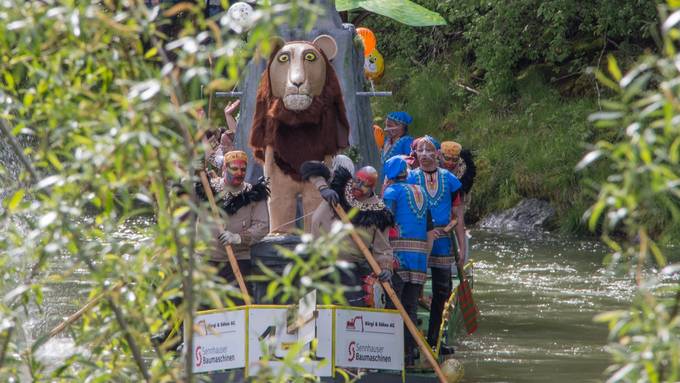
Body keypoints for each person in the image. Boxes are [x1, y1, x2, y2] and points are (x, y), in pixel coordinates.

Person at [302, 161, 394, 307]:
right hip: (315, 263)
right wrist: (324, 188)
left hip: (347, 271)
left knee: (345, 315)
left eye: (364, 184)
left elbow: (382, 248)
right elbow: (310, 168)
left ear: (372, 188)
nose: (357, 186)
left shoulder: (379, 213)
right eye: (356, 181)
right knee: (310, 313)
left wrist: (386, 268)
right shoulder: (339, 184)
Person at [407, 136, 464, 355]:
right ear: (416, 154)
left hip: (442, 240)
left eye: (429, 150)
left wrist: (462, 249)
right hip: (417, 239)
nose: (424, 154)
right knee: (412, 290)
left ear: (437, 154)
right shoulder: (410, 177)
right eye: (420, 150)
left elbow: (458, 214)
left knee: (442, 290)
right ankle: (410, 344)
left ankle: (435, 340)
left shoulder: (449, 179)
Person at [195, 150, 270, 296]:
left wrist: (238, 238)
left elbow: (263, 226)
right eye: (234, 168)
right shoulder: (206, 189)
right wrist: (194, 174)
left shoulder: (254, 194)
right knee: (204, 306)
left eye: (243, 169)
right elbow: (182, 199)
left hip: (238, 259)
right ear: (224, 169)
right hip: (206, 259)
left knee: (239, 304)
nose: (239, 173)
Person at [382, 155, 433, 365]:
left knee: (393, 306)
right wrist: (426, 256)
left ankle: (393, 355)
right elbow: (430, 229)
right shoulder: (421, 192)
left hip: (399, 257)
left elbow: (385, 223)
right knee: (410, 306)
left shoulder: (392, 192)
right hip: (419, 258)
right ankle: (410, 354)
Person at [440, 140, 476, 214]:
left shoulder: (464, 169)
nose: (450, 163)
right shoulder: (432, 166)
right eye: (447, 158)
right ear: (441, 156)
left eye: (454, 160)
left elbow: (463, 194)